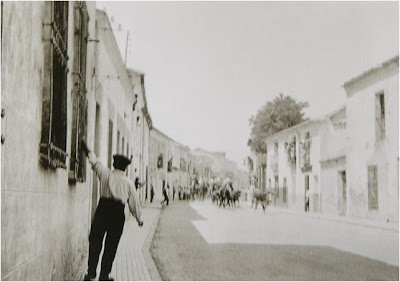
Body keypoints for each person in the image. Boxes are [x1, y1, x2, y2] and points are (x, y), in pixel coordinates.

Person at [82, 140, 143, 281]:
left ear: (114, 164)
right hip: (117, 214)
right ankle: (104, 275)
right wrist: (139, 219)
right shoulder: (128, 183)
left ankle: (91, 272)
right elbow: (134, 202)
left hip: (103, 209)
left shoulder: (105, 173)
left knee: (95, 241)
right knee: (111, 245)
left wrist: (85, 147)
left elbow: (93, 160)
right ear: (125, 167)